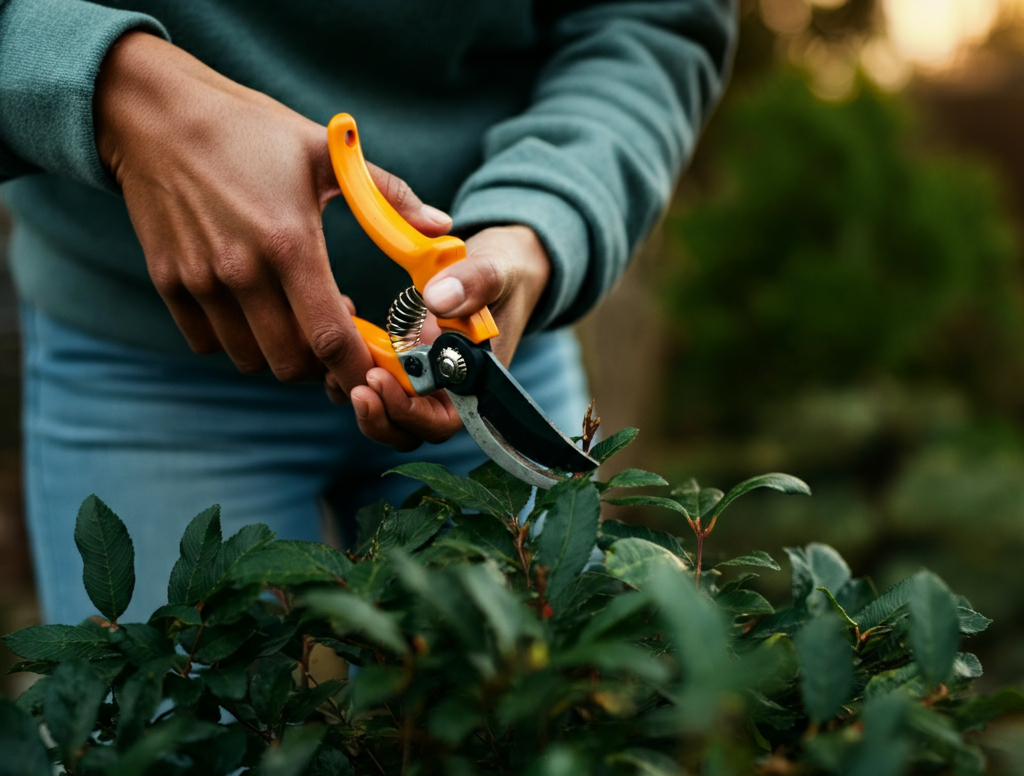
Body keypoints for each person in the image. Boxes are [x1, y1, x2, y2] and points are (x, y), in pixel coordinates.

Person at [0, 0, 736, 622]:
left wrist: (536, 224)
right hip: (136, 358)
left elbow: (652, 18)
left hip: (501, 349)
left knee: (509, 743)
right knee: (173, 772)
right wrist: (113, 89)